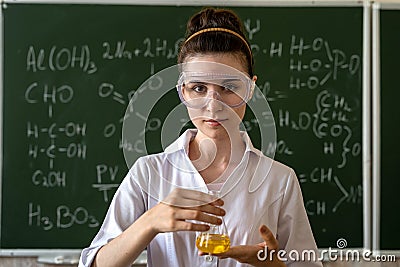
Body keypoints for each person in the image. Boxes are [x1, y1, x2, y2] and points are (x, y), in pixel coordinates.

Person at [79, 7, 322, 267]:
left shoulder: (279, 180)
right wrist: (151, 221)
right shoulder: (149, 173)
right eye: (198, 88)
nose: (213, 105)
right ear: (182, 92)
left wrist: (275, 266)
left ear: (251, 89)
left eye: (228, 87)